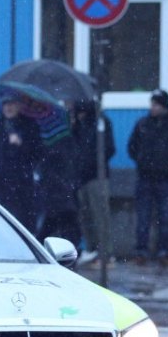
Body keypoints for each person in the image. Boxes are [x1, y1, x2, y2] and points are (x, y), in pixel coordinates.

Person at [127, 89, 168, 265]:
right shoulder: (143, 124)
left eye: (156, 104)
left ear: (164, 106)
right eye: (152, 104)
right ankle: (141, 252)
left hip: (166, 178)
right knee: (143, 217)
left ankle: (164, 252)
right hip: (145, 177)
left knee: (164, 217)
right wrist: (143, 162)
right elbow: (132, 147)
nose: (153, 108)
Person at [0, 97, 43, 230]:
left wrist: (21, 144)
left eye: (11, 104)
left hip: (21, 178)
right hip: (0, 177)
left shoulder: (29, 125)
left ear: (19, 106)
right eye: (5, 104)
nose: (8, 108)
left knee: (22, 215)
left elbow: (37, 152)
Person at [73, 99, 115, 264]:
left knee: (100, 215)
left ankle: (105, 252)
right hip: (81, 176)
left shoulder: (101, 122)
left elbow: (109, 148)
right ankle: (92, 249)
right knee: (86, 215)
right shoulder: (78, 125)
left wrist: (93, 163)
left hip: (96, 176)